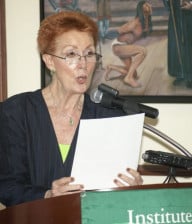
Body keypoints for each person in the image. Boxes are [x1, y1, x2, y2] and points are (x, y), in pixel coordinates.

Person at [0, 11, 143, 207]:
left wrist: (131, 188)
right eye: (71, 54)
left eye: (89, 53)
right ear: (49, 61)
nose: (83, 64)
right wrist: (48, 195)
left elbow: (115, 196)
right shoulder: (15, 112)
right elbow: (7, 187)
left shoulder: (110, 117)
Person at [104, 1, 152, 87]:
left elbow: (146, 30)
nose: (149, 8)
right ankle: (128, 78)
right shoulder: (134, 23)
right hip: (119, 46)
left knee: (135, 75)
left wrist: (147, 17)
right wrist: (104, 35)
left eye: (148, 8)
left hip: (125, 47)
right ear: (141, 10)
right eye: (146, 7)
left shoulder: (144, 22)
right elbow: (119, 30)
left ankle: (111, 67)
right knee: (143, 51)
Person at [163, 0, 192, 87]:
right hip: (176, 15)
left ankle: (190, 77)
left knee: (189, 46)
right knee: (176, 45)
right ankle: (180, 73)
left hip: (189, 15)